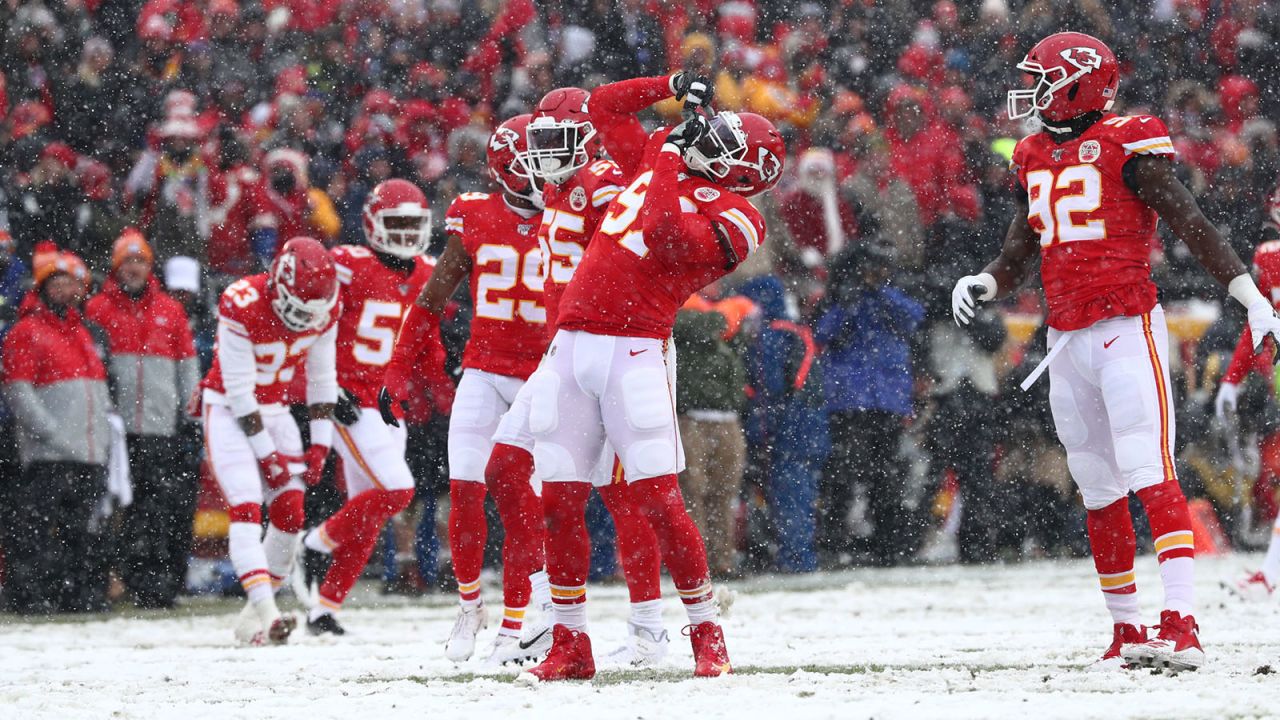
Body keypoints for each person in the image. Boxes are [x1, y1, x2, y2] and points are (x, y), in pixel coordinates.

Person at [952, 31, 1280, 672]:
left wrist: (1249, 296)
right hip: (1064, 337)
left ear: (1077, 84)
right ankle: (1127, 631)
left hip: (1126, 328)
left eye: (1042, 79)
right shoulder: (1032, 153)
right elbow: (1024, 245)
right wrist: (987, 280)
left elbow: (1192, 222)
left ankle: (1180, 623)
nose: (1031, 92)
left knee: (1147, 469)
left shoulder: (1128, 142)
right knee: (1096, 485)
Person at [522, 73, 783, 681]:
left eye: (722, 138)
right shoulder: (659, 159)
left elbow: (665, 233)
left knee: (659, 501)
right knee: (558, 502)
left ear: (742, 173)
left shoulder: (740, 215)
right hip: (571, 342)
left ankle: (705, 635)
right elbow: (604, 104)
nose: (705, 135)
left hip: (633, 349)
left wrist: (665, 156)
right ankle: (571, 643)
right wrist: (669, 85)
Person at [380, 115, 551, 664]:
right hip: (483, 369)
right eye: (536, 156)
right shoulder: (474, 215)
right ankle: (469, 604)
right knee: (467, 492)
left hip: (541, 375)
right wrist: (398, 369)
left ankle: (516, 624)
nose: (548, 165)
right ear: (509, 168)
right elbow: (429, 302)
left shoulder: (570, 213)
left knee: (525, 502)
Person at [522, 87, 669, 666]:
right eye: (542, 142)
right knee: (526, 473)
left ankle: (649, 627)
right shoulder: (559, 185)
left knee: (628, 494)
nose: (547, 154)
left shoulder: (602, 182)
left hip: (614, 345)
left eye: (557, 141)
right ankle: (555, 621)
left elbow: (629, 258)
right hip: (567, 347)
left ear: (585, 137)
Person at [294, 179, 448, 636]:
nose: (404, 235)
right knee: (399, 491)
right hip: (348, 399)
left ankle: (325, 609)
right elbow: (311, 328)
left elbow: (427, 346)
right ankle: (314, 542)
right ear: (372, 224)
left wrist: (443, 387)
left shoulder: (426, 272)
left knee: (372, 508)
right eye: (395, 224)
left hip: (387, 404)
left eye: (412, 225)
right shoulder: (345, 264)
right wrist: (322, 386)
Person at [196, 237, 340, 645]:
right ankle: (269, 614)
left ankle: (250, 623)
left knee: (291, 516)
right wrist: (268, 454)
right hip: (228, 408)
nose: (303, 320)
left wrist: (322, 444)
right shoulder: (241, 301)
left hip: (274, 409)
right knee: (245, 506)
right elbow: (241, 393)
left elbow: (321, 378)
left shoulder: (325, 307)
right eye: (297, 309)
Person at [83, 230, 200, 609]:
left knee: (154, 511)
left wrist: (189, 413)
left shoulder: (170, 310)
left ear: (149, 267)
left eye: (140, 261)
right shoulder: (97, 309)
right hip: (114, 431)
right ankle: (108, 580)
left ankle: (151, 583)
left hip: (159, 427)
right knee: (111, 509)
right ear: (116, 268)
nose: (133, 267)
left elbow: (187, 368)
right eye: (127, 261)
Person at [2, 247, 110, 613]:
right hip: (51, 454)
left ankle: (76, 596)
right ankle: (32, 597)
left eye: (72, 283)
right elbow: (18, 392)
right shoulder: (26, 331)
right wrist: (50, 432)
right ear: (44, 287)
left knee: (80, 532)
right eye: (59, 282)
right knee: (37, 532)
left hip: (87, 452)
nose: (67, 290)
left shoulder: (85, 333)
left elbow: (98, 393)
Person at [814, 242, 924, 566]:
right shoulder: (839, 299)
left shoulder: (892, 295)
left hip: (886, 399)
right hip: (847, 400)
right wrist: (846, 302)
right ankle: (835, 544)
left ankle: (886, 544)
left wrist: (880, 292)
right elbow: (821, 334)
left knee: (886, 475)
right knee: (841, 475)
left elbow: (914, 317)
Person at [1219, 239, 1280, 599]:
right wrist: (1231, 378)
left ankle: (1269, 577)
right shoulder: (1270, 256)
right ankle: (1269, 576)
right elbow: (1259, 321)